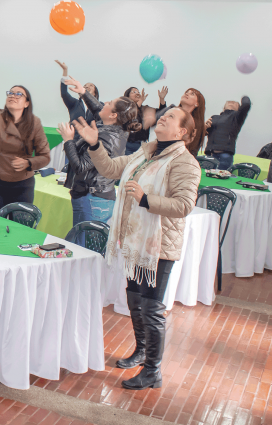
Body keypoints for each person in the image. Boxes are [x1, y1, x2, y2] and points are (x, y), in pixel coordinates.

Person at [72, 107, 200, 391]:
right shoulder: (146, 152)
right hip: (135, 240)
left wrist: (146, 199)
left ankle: (153, 371)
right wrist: (94, 144)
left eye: (170, 118)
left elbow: (184, 205)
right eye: (163, 115)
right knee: (135, 299)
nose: (163, 118)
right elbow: (109, 169)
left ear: (181, 132)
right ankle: (141, 351)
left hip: (158, 246)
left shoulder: (185, 162)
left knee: (152, 308)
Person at [58, 79, 139, 227]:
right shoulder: (113, 127)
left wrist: (69, 141)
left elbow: (80, 166)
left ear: (114, 115)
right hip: (95, 196)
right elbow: (97, 109)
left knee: (85, 244)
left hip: (92, 198)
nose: (105, 103)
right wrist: (83, 92)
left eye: (109, 103)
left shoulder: (105, 138)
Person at [204, 96, 252, 170]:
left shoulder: (237, 117)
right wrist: (204, 127)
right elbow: (203, 134)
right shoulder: (214, 117)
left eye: (235, 103)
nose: (231, 103)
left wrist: (244, 96)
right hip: (210, 154)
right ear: (224, 107)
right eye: (229, 102)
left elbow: (246, 105)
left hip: (225, 155)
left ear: (239, 109)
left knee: (220, 179)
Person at [155, 88, 206, 155]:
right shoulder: (172, 109)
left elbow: (192, 150)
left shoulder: (197, 126)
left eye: (192, 94)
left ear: (197, 103)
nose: (187, 94)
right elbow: (159, 116)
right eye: (186, 92)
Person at [124, 86, 168, 156]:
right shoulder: (124, 108)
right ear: (127, 96)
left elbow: (161, 114)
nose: (137, 94)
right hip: (127, 144)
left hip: (142, 145)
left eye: (138, 92)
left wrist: (162, 99)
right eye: (134, 92)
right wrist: (139, 103)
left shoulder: (145, 109)